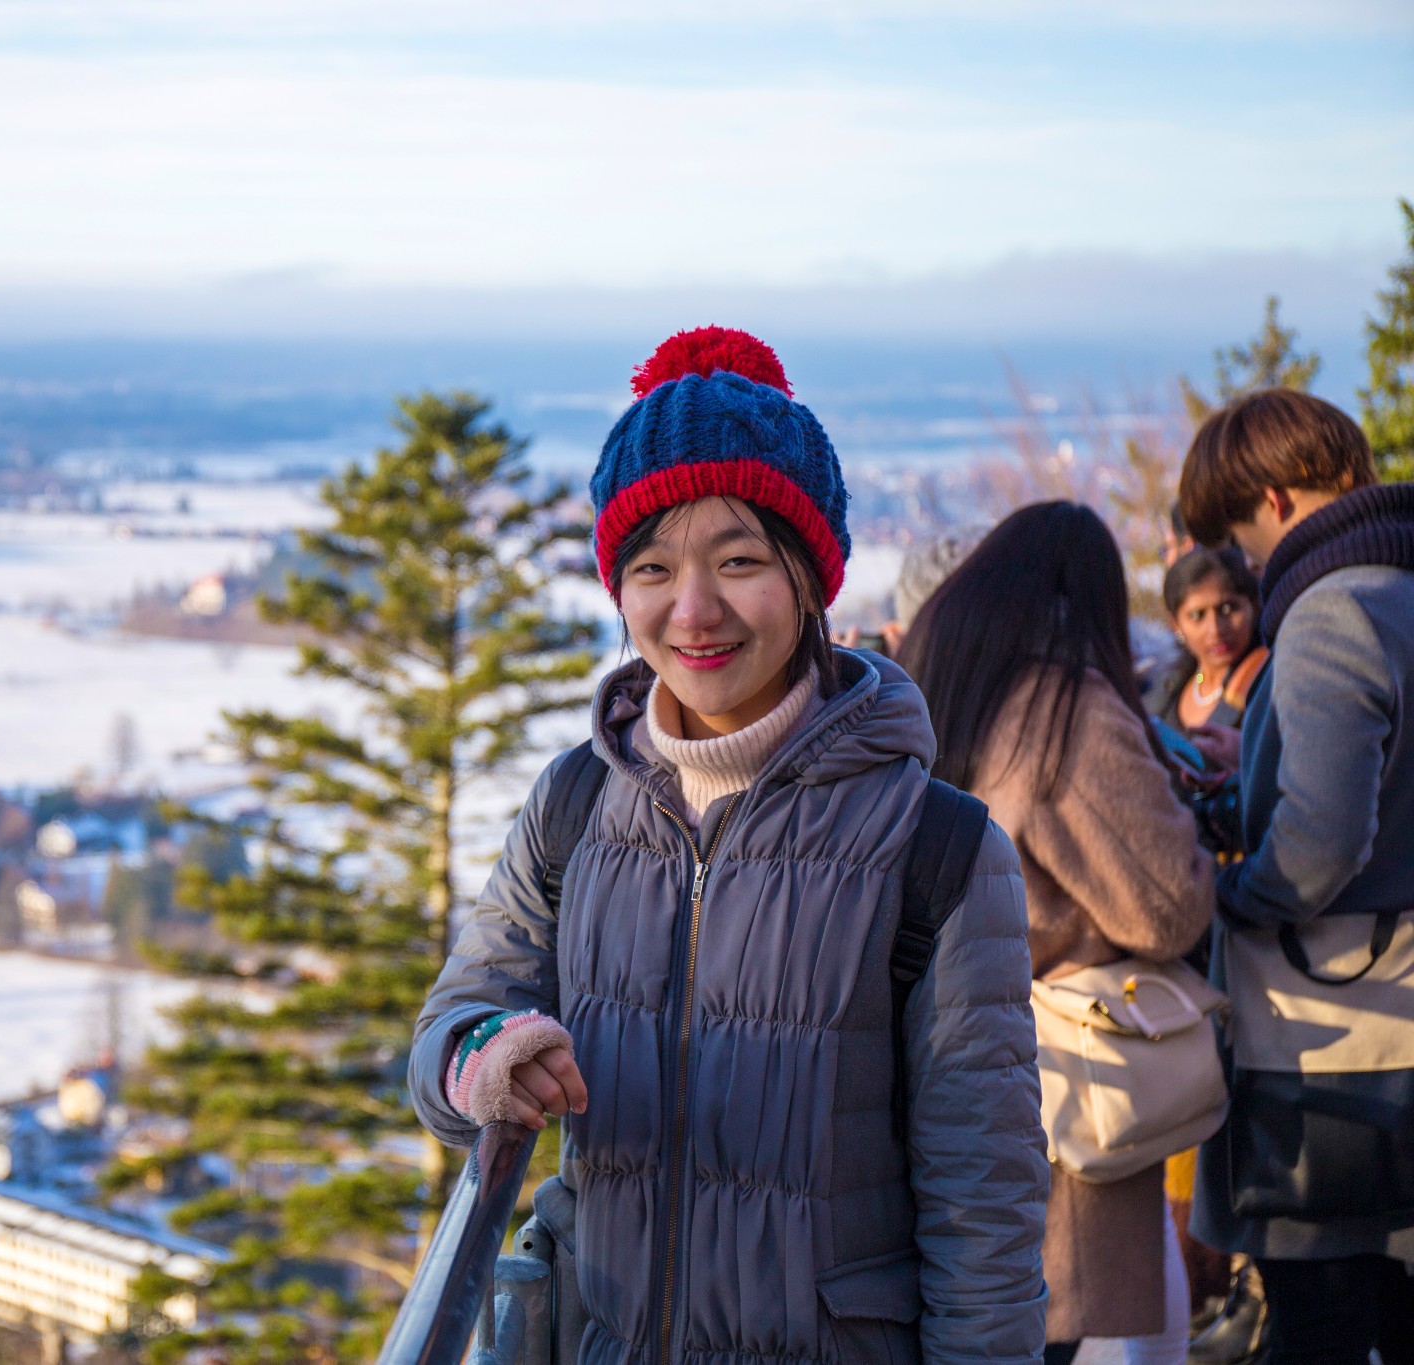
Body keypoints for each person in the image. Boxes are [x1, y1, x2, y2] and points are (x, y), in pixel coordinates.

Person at [411, 326, 1049, 1363]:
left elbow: (984, 1211)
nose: (692, 609)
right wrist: (479, 1060)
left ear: (810, 580)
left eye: (739, 561)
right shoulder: (577, 805)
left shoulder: (933, 847)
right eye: (652, 566)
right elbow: (451, 1026)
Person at [899, 501, 1215, 1365]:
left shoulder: (938, 683)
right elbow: (1165, 902)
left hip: (938, 1052)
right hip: (1056, 1070)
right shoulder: (1060, 708)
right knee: (1058, 1325)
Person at [1175, 388, 1414, 1364]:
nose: (1243, 560)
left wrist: (1230, 897)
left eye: (1236, 535)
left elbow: (1317, 846)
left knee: (1315, 1316)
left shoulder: (1328, 612)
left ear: (1271, 501)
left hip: (1334, 1047)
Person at [1155, 546, 1267, 736]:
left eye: (1227, 609)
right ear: (1175, 624)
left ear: (1253, 606)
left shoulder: (1269, 685)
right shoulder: (1169, 690)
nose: (1215, 630)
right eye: (1197, 615)